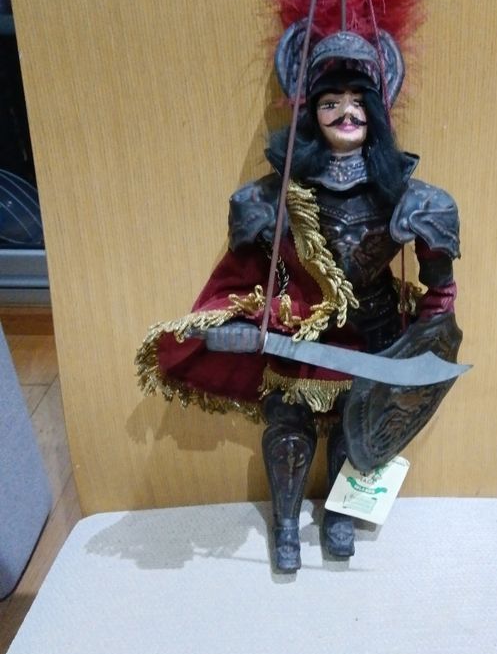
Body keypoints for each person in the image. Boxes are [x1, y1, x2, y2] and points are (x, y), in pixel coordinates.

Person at [135, 31, 460, 571]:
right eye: (331, 102)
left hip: (376, 334)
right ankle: (286, 524)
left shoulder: (413, 199)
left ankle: (340, 516)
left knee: (358, 427)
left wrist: (427, 343)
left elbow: (440, 292)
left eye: (357, 101)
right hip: (299, 329)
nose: (346, 113)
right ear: (312, 112)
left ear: (376, 110)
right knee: (288, 426)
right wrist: (234, 321)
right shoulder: (269, 197)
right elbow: (241, 275)